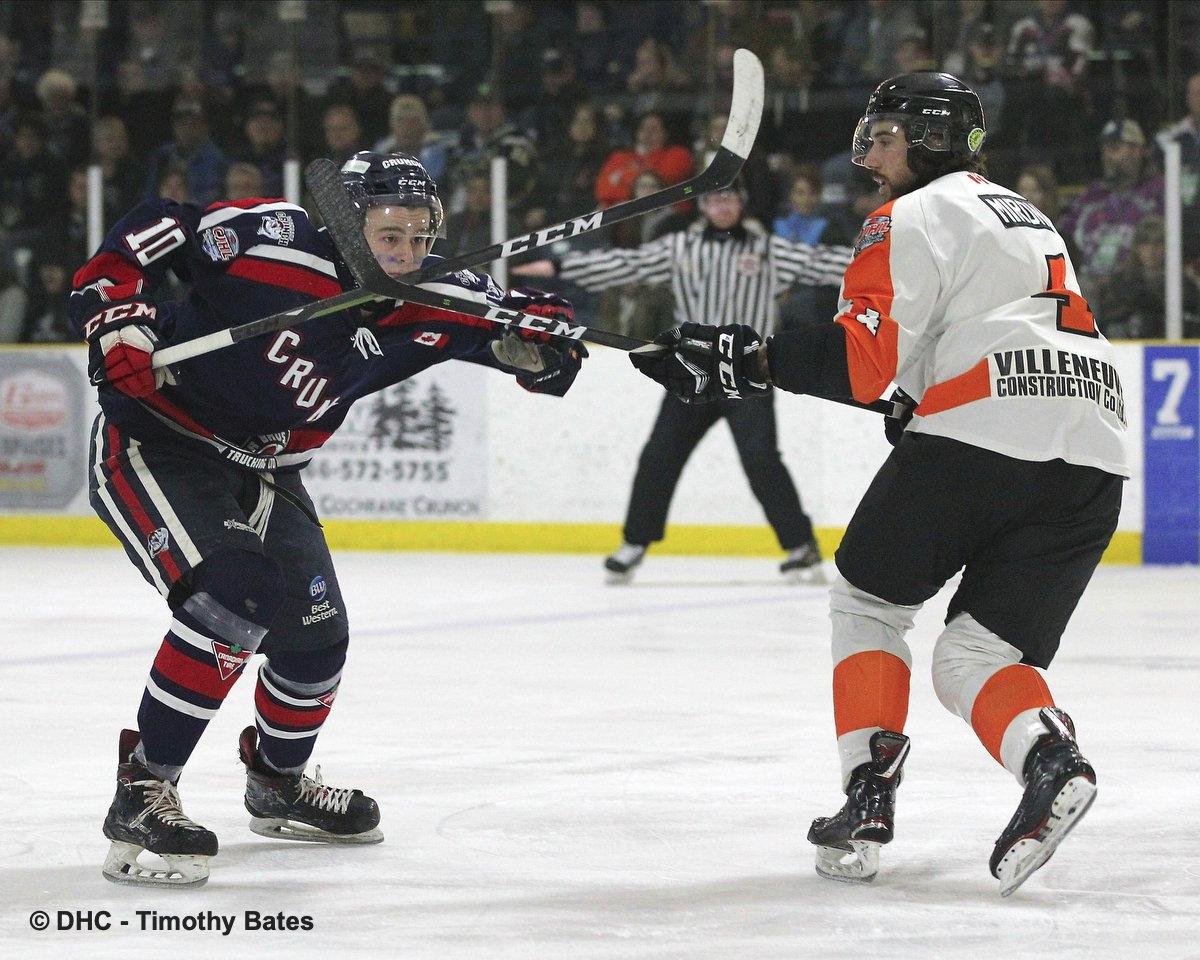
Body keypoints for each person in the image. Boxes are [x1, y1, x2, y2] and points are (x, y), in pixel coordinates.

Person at [630, 72, 1128, 896]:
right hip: (1095, 449)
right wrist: (905, 396)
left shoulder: (906, 215)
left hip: (983, 430)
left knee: (867, 603)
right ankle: (1051, 760)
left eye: (887, 132)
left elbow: (865, 367)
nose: (870, 147)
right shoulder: (1022, 213)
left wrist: (747, 359)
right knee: (977, 652)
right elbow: (937, 355)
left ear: (931, 137)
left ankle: (867, 798)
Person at [71, 150, 586, 887]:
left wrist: (540, 340)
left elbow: (546, 357)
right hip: (160, 441)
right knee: (232, 597)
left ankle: (276, 784)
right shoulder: (269, 236)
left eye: (417, 236)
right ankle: (143, 788)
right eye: (389, 234)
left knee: (316, 643)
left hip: (270, 471)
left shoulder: (442, 294)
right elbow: (152, 231)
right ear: (348, 223)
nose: (405, 252)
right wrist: (118, 314)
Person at [516, 178, 850, 583]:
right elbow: (628, 264)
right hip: (694, 373)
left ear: (741, 203)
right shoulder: (681, 248)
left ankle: (800, 545)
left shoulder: (766, 248)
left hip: (748, 374)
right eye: (715, 199)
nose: (723, 206)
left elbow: (820, 263)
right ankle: (634, 543)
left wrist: (878, 261)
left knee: (761, 461)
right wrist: (559, 267)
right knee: (659, 457)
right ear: (704, 206)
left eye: (730, 197)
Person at [1060, 118, 1163, 301]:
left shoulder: (1157, 191)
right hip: (1086, 279)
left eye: (1115, 148)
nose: (1108, 156)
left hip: (1136, 282)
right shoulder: (1092, 194)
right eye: (1105, 149)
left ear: (1138, 150)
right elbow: (1062, 233)